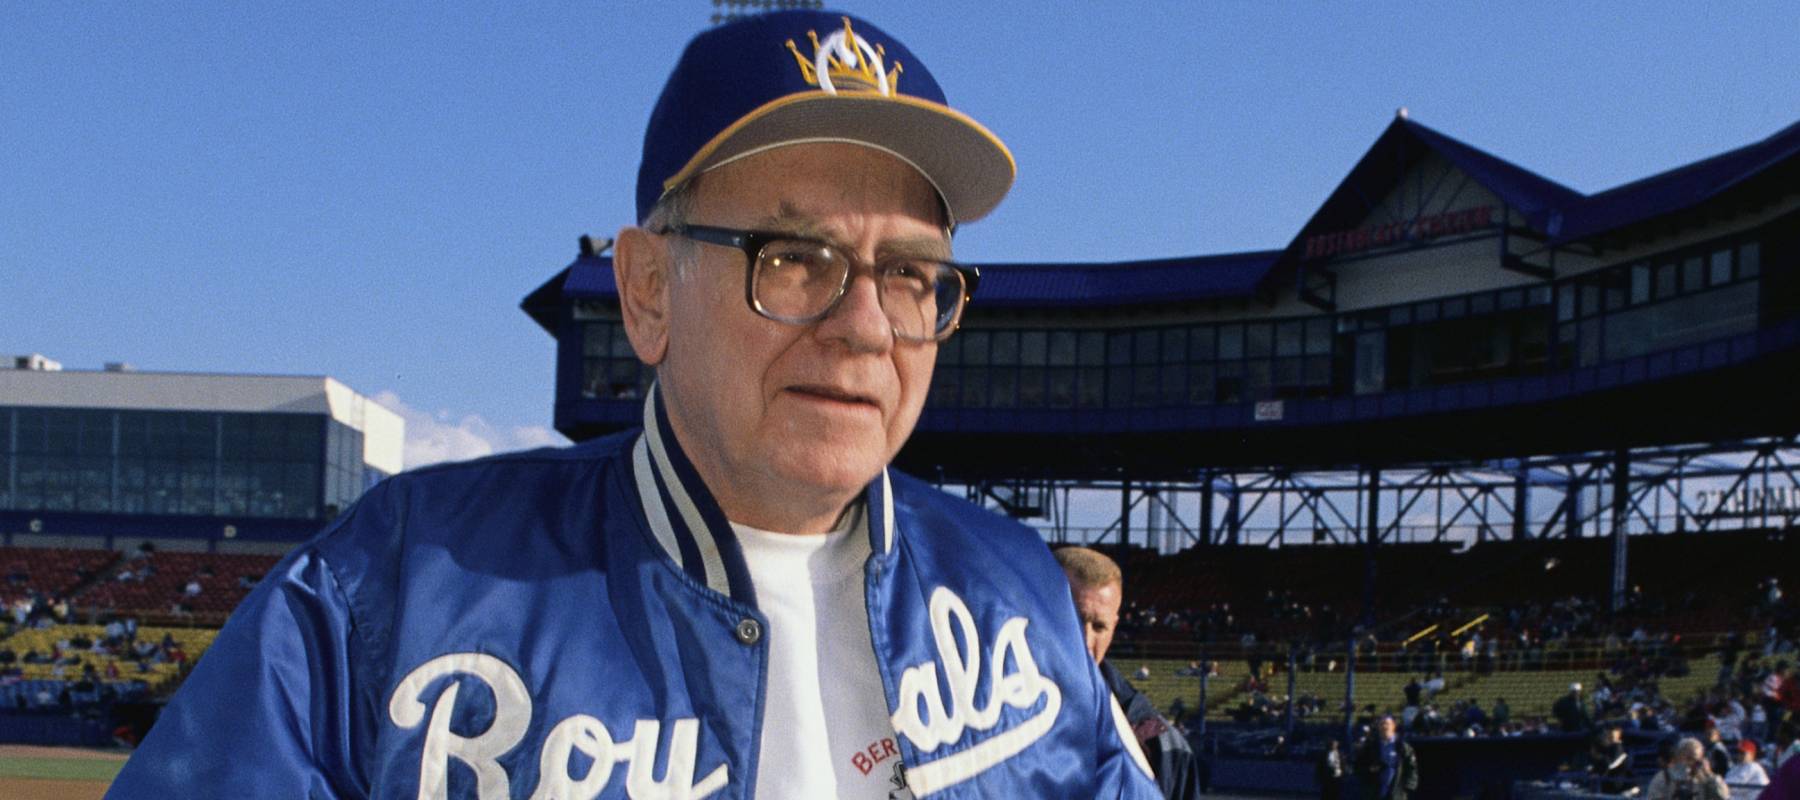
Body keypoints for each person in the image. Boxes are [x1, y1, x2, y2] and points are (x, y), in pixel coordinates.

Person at [107, 10, 1160, 799]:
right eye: (794, 257)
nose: (866, 326)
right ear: (648, 290)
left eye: (910, 274)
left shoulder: (1015, 592)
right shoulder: (391, 588)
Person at [1056, 546, 1202, 800]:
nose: (1085, 640)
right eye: (1072, 618)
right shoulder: (980, 716)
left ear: (1114, 626)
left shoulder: (1163, 748)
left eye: (1099, 626)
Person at [1355, 715, 1419, 800]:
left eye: (1387, 724)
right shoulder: (1370, 747)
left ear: (1393, 726)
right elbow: (1358, 766)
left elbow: (1412, 767)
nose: (1384, 727)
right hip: (1376, 792)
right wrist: (1369, 770)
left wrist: (1408, 786)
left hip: (1397, 792)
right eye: (1381, 724)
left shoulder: (1402, 747)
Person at [1648, 737, 1730, 800]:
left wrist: (1710, 774)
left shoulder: (1705, 779)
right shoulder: (1663, 778)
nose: (1692, 763)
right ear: (1679, 757)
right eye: (1689, 758)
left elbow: (1724, 796)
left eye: (1697, 759)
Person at [1586, 725, 1632, 793]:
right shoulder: (1607, 748)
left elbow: (1611, 764)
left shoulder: (1618, 748)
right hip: (1607, 782)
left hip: (1616, 783)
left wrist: (1599, 758)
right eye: (1609, 734)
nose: (1609, 736)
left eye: (1611, 734)